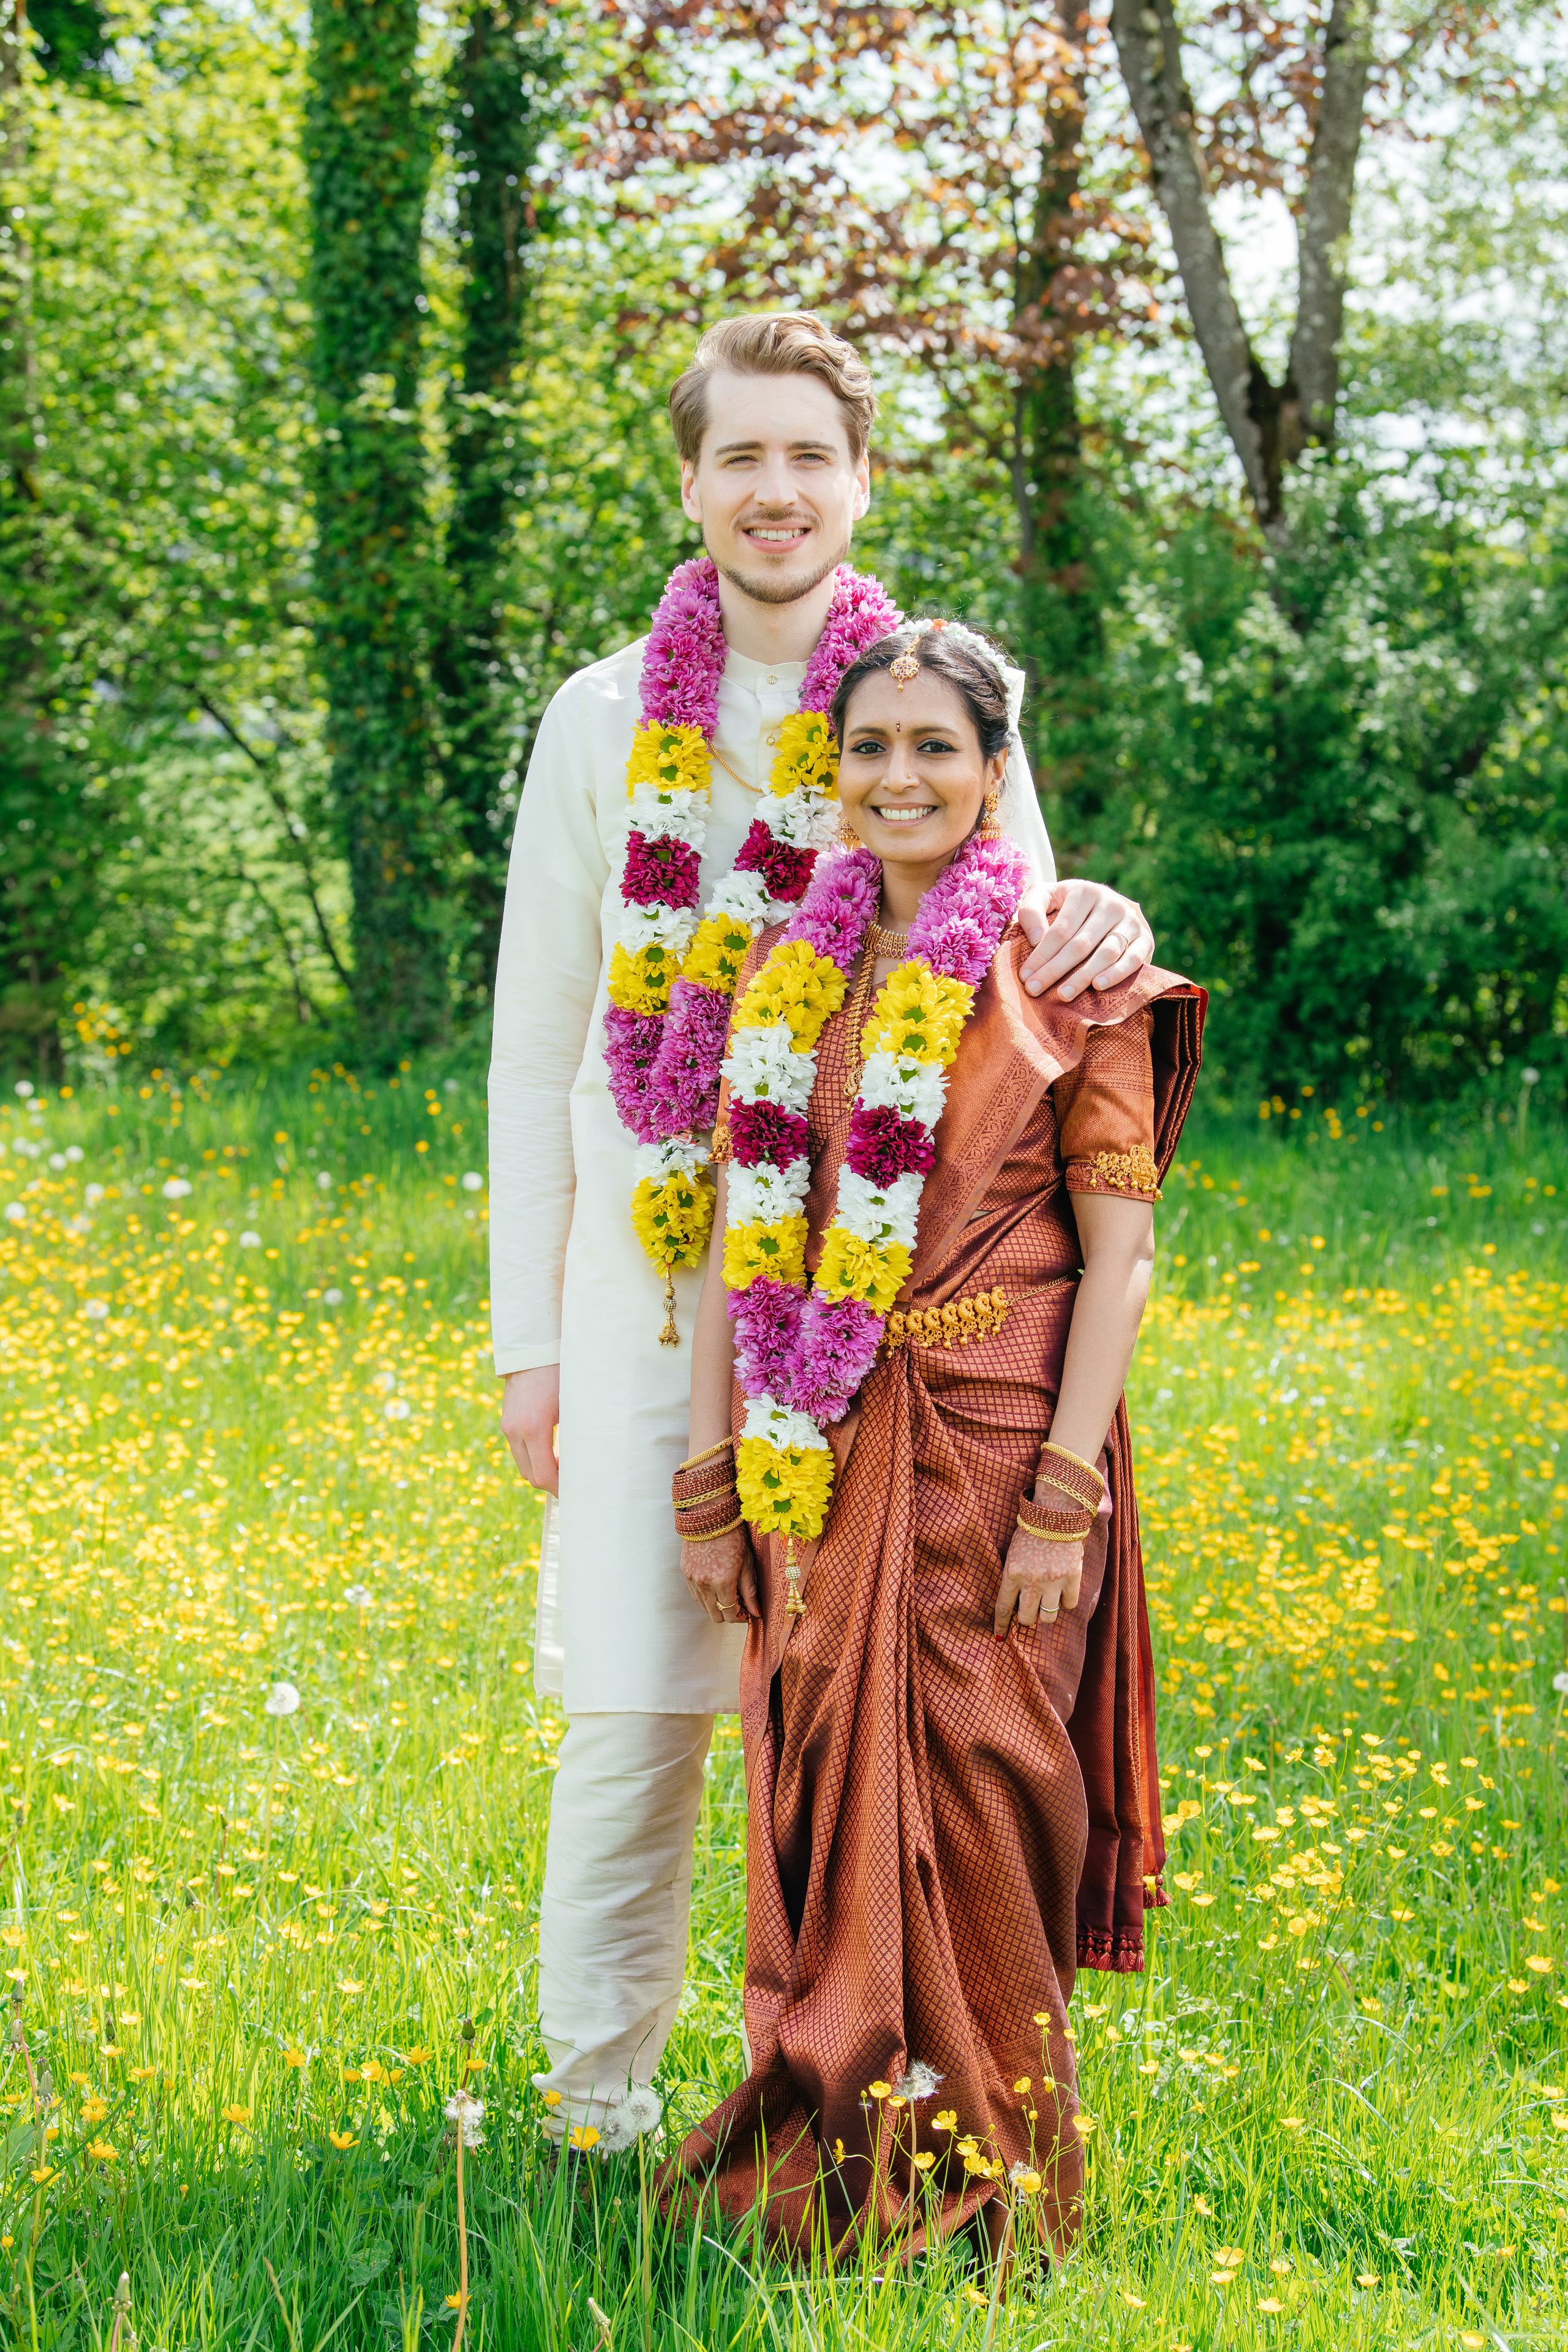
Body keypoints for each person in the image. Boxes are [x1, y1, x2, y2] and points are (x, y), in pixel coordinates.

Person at [489, 310, 1159, 2141]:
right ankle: (595, 2108)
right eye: (741, 456)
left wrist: (1091, 893)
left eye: (811, 456)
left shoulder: (937, 695)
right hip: (657, 1291)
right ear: (693, 481)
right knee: (637, 1704)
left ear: (862, 480)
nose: (775, 490)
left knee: (856, 1712)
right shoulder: (605, 715)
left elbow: (1021, 938)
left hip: (877, 1310)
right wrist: (530, 1342)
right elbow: (538, 1037)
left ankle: (862, 2080)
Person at [669, 621, 1203, 2256]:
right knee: (819, 1789)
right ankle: (822, 2158)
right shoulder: (782, 972)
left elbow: (1119, 1256)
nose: (902, 777)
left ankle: (993, 2187)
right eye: (874, 747)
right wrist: (708, 1483)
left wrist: (1066, 1493)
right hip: (809, 1459)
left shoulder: (1065, 974)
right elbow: (722, 1246)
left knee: (988, 1786)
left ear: (992, 769)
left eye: (938, 747)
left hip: (995, 1453)